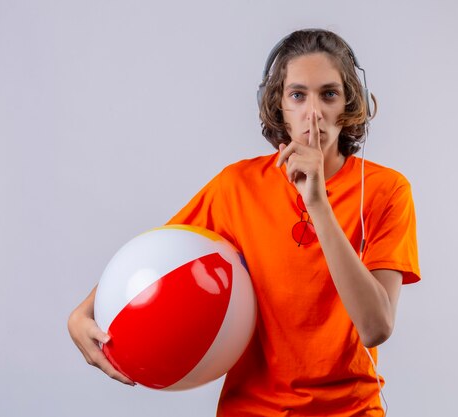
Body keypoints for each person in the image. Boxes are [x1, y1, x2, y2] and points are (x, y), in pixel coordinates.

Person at [68, 28, 420, 416]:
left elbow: (376, 326)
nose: (313, 112)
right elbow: (158, 257)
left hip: (351, 410)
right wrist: (83, 312)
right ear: (278, 105)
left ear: (351, 104)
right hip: (251, 409)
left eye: (329, 94)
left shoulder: (386, 190)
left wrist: (318, 203)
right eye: (298, 95)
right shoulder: (237, 186)